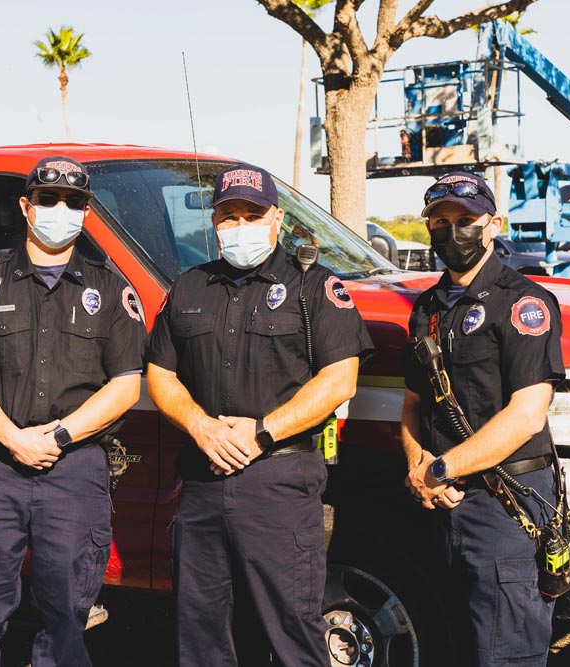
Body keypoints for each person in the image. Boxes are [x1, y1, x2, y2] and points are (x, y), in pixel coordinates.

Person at [144, 163, 374, 666]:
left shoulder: (314, 287)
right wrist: (200, 426)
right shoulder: (188, 288)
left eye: (253, 214)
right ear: (214, 221)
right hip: (203, 481)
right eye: (230, 216)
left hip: (280, 482)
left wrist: (263, 433)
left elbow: (340, 379)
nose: (240, 225)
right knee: (202, 635)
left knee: (293, 633)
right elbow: (161, 374)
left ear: (277, 219)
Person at [0, 155, 145, 667]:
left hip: (74, 468)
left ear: (87, 211)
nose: (60, 209)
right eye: (48, 199)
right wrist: (12, 438)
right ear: (27, 206)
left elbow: (126, 385)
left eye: (74, 202)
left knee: (68, 614)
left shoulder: (112, 290)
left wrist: (59, 439)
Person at [401, 171, 565, 667]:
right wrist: (418, 465)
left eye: (466, 220)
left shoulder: (524, 304)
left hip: (504, 508)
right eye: (440, 221)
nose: (452, 232)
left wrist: (442, 469)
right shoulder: (425, 309)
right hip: (440, 509)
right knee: (450, 646)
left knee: (505, 653)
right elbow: (412, 405)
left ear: (493, 224)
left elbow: (527, 415)